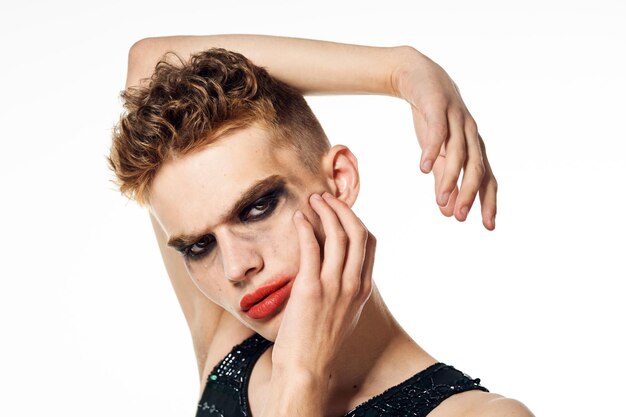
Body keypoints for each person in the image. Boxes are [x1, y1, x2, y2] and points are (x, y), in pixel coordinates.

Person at [109, 35, 531, 417]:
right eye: (199, 246)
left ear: (340, 179)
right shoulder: (229, 344)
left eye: (257, 208)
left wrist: (300, 379)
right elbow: (151, 67)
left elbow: (154, 63)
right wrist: (400, 71)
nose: (235, 268)